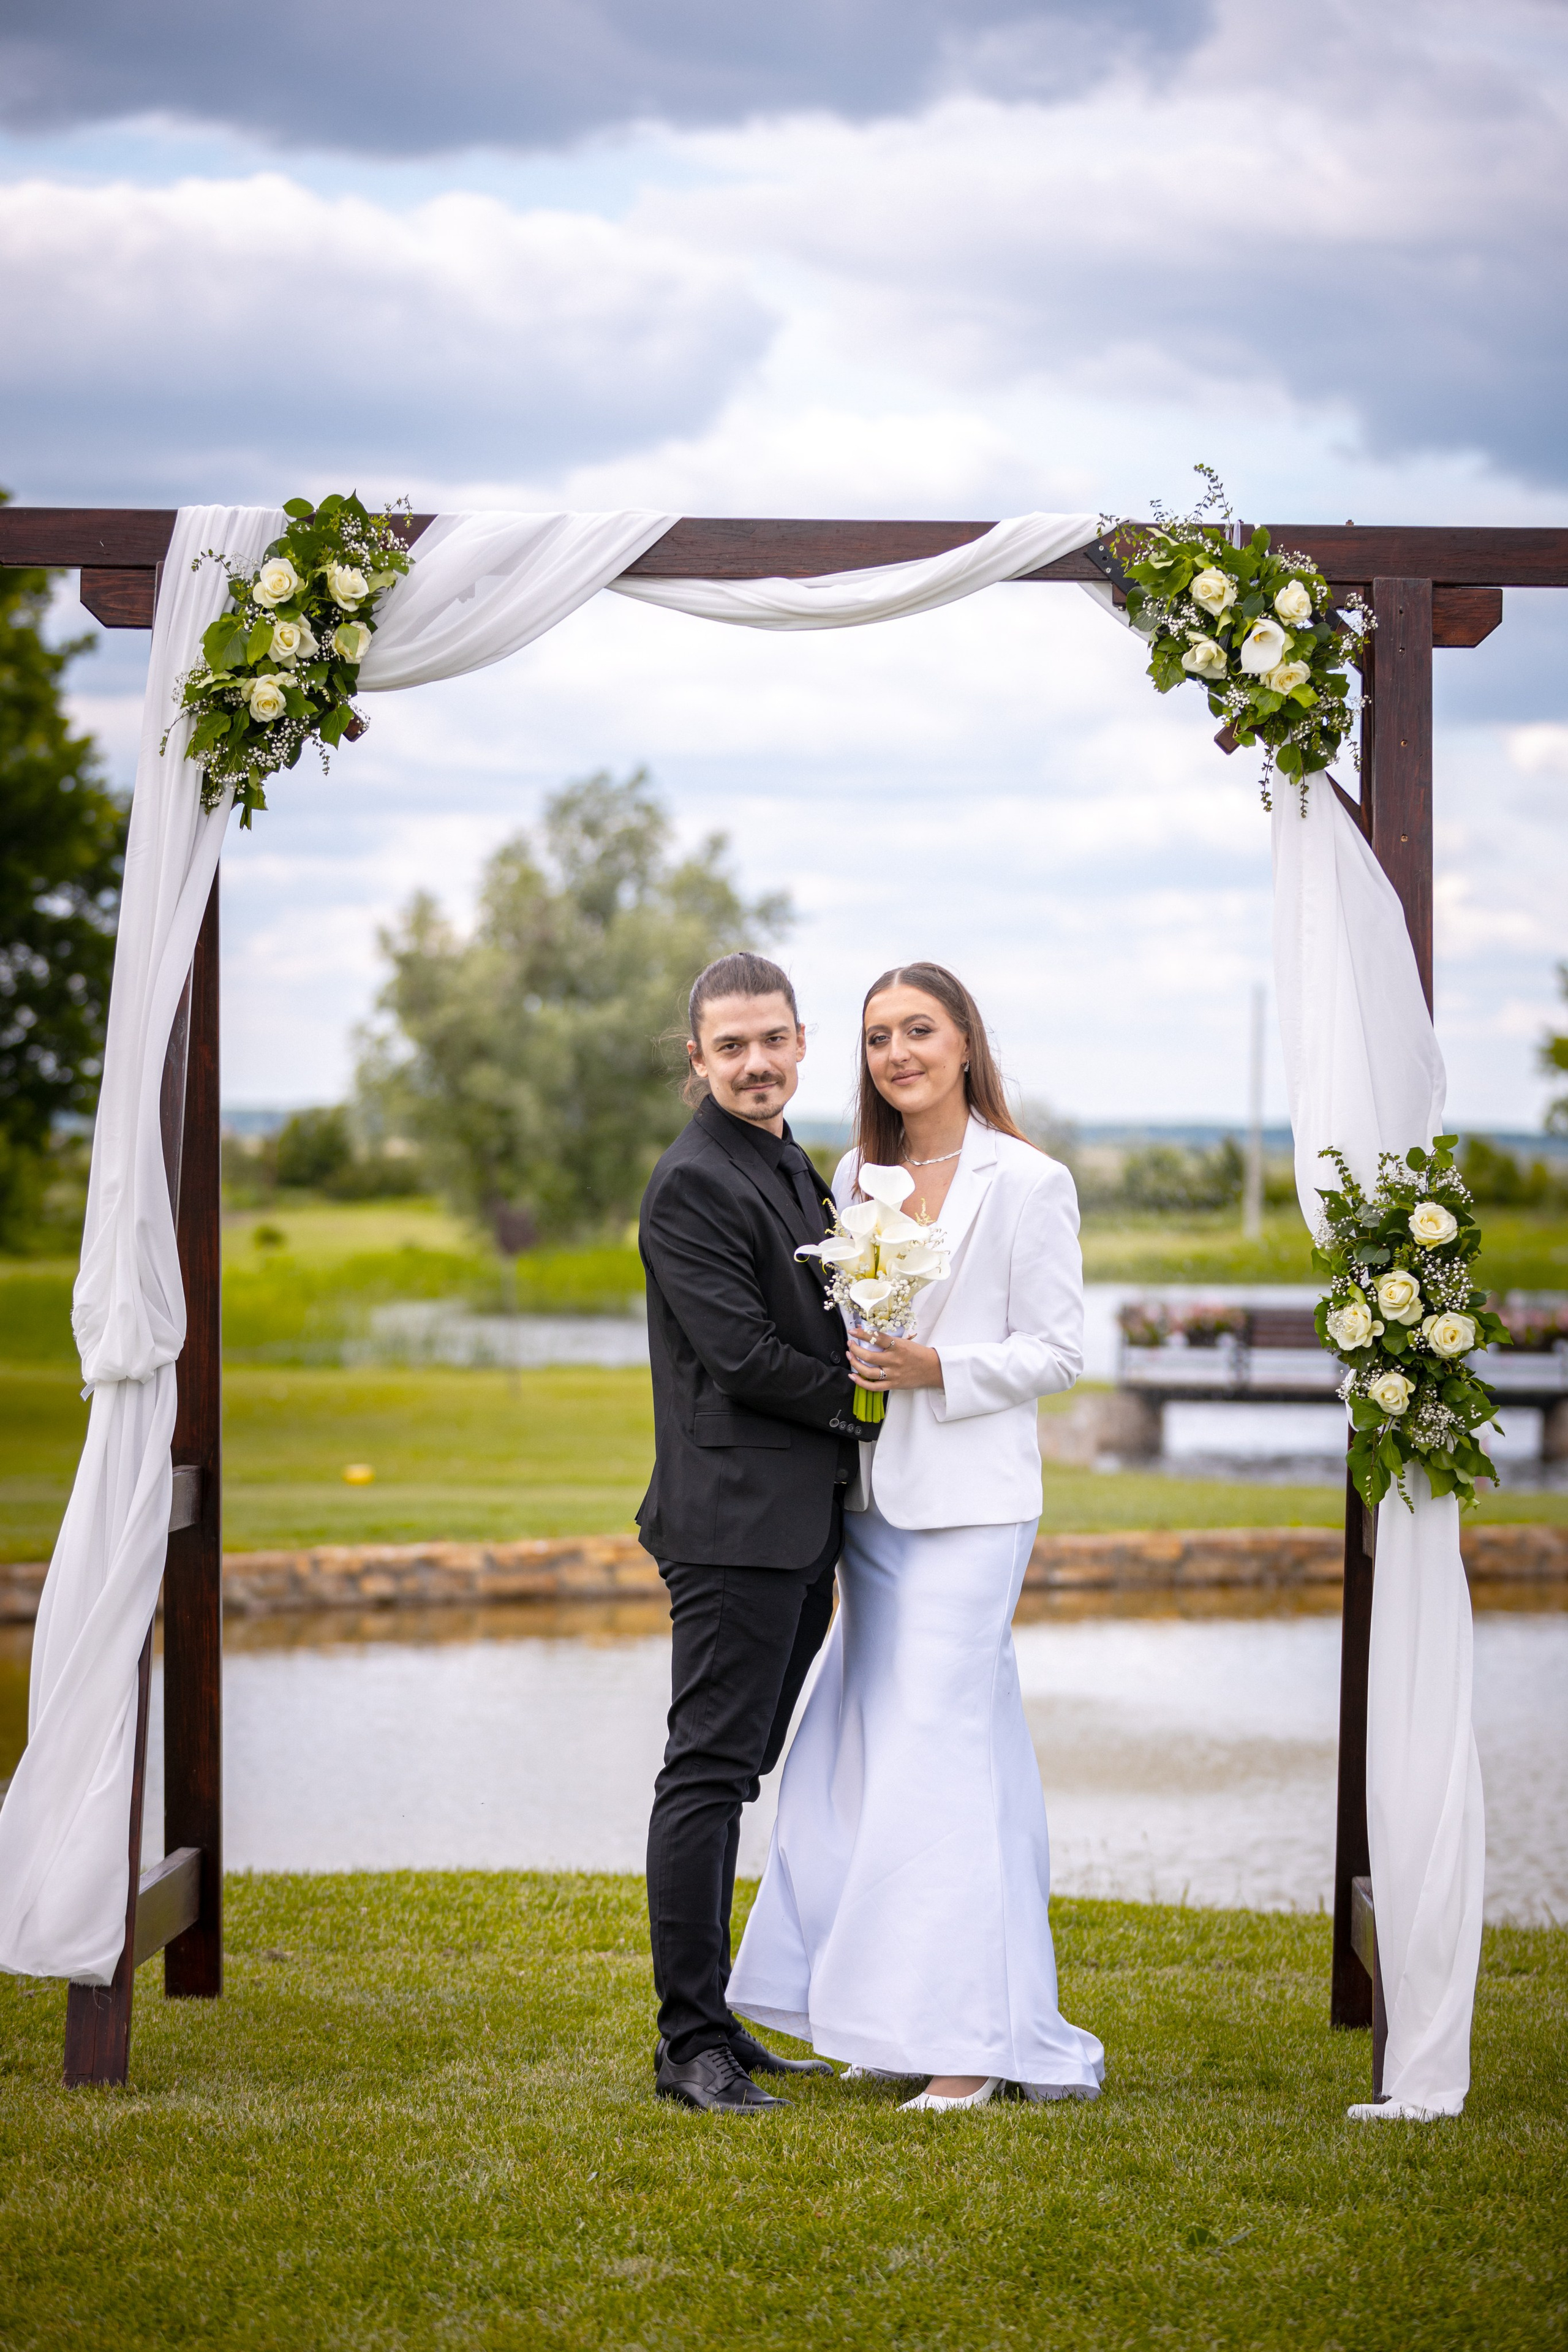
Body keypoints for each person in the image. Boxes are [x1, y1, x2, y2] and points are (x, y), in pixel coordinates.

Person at [726, 960, 1106, 2111]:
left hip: (976, 1513)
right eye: (880, 1035)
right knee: (885, 1761)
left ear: (964, 1043)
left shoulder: (1031, 1182)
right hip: (874, 1509)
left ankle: (966, 2052)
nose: (898, 1053)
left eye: (920, 1031)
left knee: (937, 1763)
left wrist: (940, 1369)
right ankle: (908, 2013)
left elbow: (1059, 1351)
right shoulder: (857, 1174)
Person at [639, 951, 869, 2114]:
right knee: (708, 1774)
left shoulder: (788, 1164)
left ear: (799, 1041)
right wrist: (874, 1395)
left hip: (794, 1524)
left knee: (735, 1776)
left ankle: (715, 2018)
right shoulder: (694, 1184)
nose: (755, 1063)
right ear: (699, 1061)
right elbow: (742, 1358)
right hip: (732, 1531)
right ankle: (690, 2046)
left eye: (771, 1040)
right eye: (730, 1047)